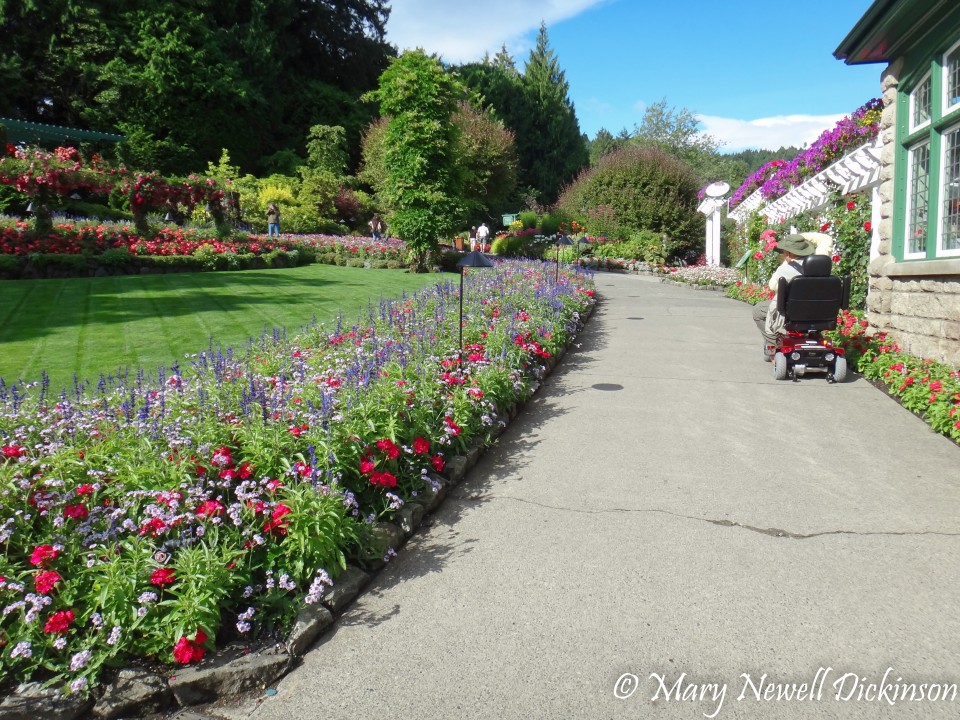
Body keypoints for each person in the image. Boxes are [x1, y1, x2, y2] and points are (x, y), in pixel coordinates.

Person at [753, 234, 819, 360]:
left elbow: (772, 286)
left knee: (757, 311)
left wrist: (786, 263)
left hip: (791, 311)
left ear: (788, 254)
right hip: (818, 312)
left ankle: (773, 343)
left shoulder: (785, 270)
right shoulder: (822, 268)